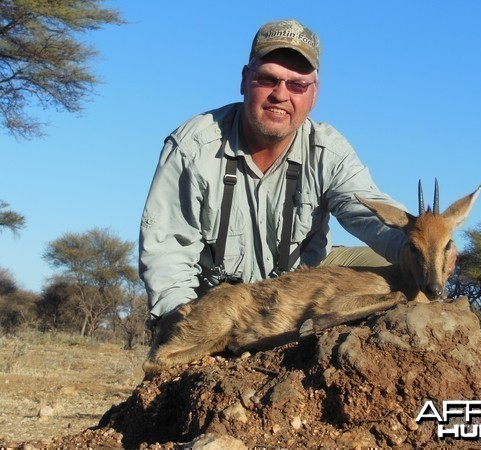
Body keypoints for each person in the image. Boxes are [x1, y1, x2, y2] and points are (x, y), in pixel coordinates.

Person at [139, 19, 453, 349]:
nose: (280, 95)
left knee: (401, 274)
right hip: (217, 295)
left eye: (297, 85)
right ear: (245, 80)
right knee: (194, 331)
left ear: (313, 95)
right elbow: (166, 248)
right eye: (268, 79)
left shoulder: (329, 150)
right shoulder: (194, 145)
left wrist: (424, 248)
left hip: (300, 284)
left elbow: (369, 214)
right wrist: (183, 320)